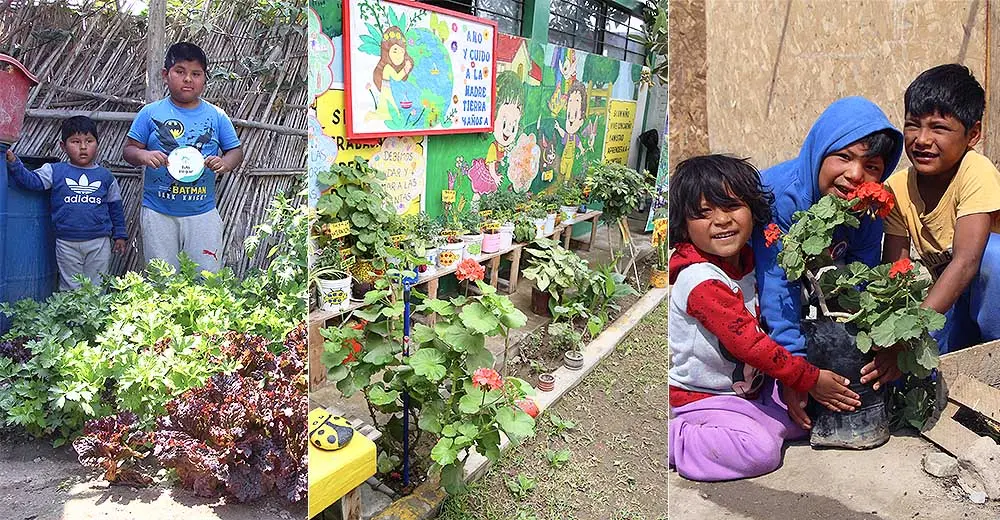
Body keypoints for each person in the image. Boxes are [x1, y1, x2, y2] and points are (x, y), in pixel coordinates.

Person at [668, 154, 861, 482]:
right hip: (702, 397)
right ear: (683, 226)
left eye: (731, 207)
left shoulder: (747, 259)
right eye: (703, 213)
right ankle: (675, 438)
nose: (721, 220)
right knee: (761, 450)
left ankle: (752, 422)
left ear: (753, 211)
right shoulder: (698, 280)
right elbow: (751, 345)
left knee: (805, 419)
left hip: (747, 390)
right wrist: (809, 378)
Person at [749, 97, 904, 428]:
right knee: (781, 423)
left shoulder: (868, 207)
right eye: (844, 157)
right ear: (820, 150)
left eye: (872, 166)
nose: (855, 175)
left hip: (813, 296)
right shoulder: (779, 197)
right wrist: (796, 373)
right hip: (758, 295)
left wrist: (875, 344)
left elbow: (859, 281)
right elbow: (777, 288)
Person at [882, 64, 1000, 355]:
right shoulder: (897, 187)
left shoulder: (976, 171)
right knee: (923, 371)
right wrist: (889, 334)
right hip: (955, 305)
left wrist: (909, 336)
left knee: (993, 256)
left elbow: (966, 264)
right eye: (912, 124)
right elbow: (895, 271)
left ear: (973, 134)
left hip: (993, 307)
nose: (922, 140)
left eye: (939, 128)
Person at [123, 42, 243, 273]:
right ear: (165, 75)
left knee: (206, 276)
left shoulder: (216, 116)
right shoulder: (150, 113)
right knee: (161, 278)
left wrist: (225, 163)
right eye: (180, 72)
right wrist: (144, 155)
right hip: (158, 212)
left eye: (196, 74)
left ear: (205, 79)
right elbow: (129, 150)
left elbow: (235, 151)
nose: (188, 79)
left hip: (203, 212)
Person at [5, 116, 127, 290]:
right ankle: (71, 318)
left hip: (99, 241)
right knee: (70, 287)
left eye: (89, 141)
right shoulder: (54, 171)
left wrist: (120, 235)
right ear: (63, 146)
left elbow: (115, 208)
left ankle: (94, 318)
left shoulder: (106, 177)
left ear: (97, 144)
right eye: (75, 142)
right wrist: (15, 163)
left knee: (97, 286)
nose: (83, 147)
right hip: (66, 242)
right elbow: (32, 182)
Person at [367, 26, 413, 122]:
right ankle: (373, 116)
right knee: (390, 110)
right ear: (387, 52)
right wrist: (405, 69)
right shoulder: (387, 67)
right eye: (395, 51)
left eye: (401, 51)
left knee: (389, 110)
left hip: (388, 90)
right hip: (386, 90)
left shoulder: (390, 67)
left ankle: (375, 115)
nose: (398, 55)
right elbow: (396, 77)